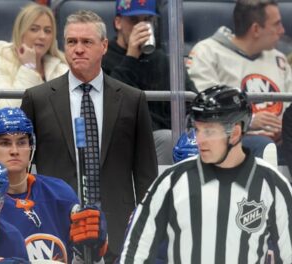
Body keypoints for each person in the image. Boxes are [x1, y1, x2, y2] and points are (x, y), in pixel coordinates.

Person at [21, 10, 158, 260]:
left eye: (87, 42)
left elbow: (145, 173)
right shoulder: (37, 99)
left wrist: (145, 224)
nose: (78, 49)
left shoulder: (132, 99)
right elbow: (24, 169)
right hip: (55, 228)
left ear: (104, 46)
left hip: (118, 231)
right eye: (72, 42)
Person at [119, 85, 292, 263]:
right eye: (197, 129)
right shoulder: (167, 186)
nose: (200, 139)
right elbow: (134, 257)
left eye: (209, 131)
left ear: (235, 133)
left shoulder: (273, 187)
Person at [0, 107, 108, 263]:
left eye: (21, 142)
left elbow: (86, 259)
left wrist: (97, 243)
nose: (14, 151)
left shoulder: (59, 192)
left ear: (31, 147)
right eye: (5, 143)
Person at [186, 0, 292, 167]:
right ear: (256, 29)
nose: (282, 31)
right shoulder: (207, 52)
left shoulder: (278, 58)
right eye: (277, 24)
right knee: (264, 146)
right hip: (233, 140)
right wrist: (249, 121)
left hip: (282, 142)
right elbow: (203, 106)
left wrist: (285, 128)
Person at [102, 0, 198, 165]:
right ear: (118, 23)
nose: (141, 27)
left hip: (164, 135)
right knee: (168, 139)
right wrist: (131, 56)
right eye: (133, 21)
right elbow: (112, 100)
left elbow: (191, 98)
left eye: (146, 20)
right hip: (123, 138)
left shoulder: (162, 59)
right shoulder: (104, 57)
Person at [0, 3, 68, 109]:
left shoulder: (61, 67)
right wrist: (29, 67)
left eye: (47, 31)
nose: (42, 36)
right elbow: (3, 109)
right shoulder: (0, 57)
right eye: (34, 29)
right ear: (21, 32)